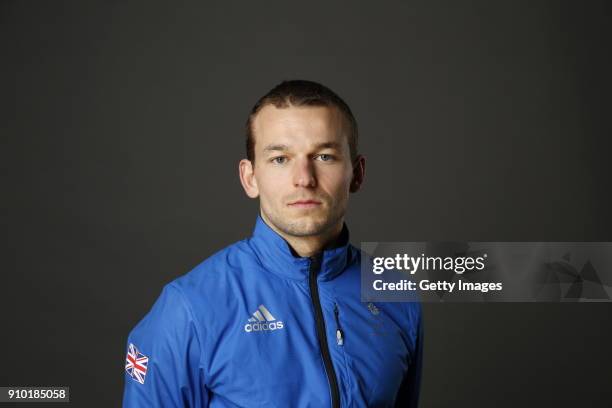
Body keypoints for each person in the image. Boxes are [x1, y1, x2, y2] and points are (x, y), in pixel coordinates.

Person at [122, 80, 423, 407]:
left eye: (324, 156)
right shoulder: (189, 308)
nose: (304, 178)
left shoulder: (395, 292)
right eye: (280, 158)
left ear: (357, 173)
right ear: (250, 178)